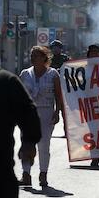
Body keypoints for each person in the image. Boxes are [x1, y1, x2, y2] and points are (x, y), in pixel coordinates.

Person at [0, 68, 41, 198]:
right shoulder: (7, 80)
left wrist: (30, 141)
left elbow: (27, 111)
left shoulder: (5, 82)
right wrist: (29, 141)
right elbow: (28, 111)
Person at [18, 46, 62, 187]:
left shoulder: (53, 74)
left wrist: (57, 112)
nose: (34, 58)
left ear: (45, 57)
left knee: (43, 145)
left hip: (46, 112)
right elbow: (18, 94)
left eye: (37, 55)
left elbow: (58, 95)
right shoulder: (25, 74)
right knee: (27, 144)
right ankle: (26, 174)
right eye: (32, 55)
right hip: (28, 113)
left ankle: (43, 174)